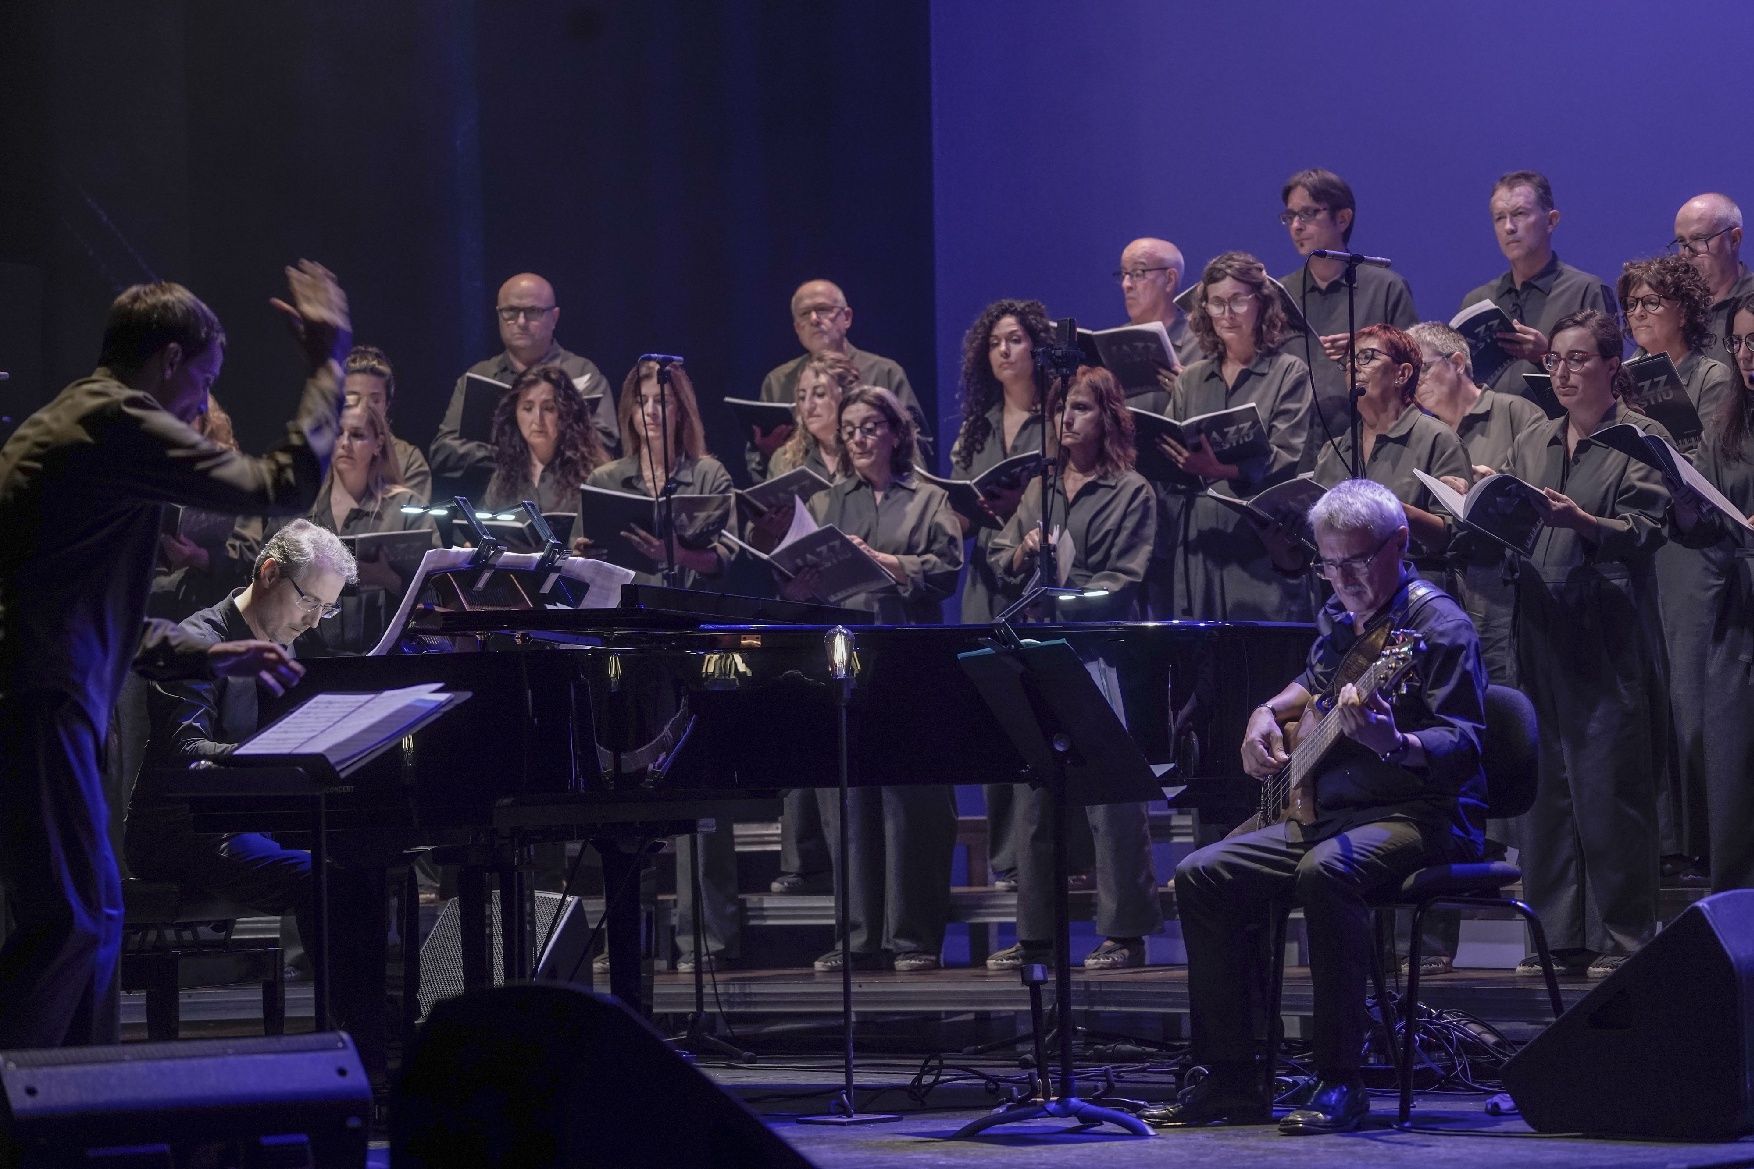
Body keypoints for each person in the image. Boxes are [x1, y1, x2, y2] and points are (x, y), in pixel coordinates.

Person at [0, 264, 348, 1048]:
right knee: (70, 925)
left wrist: (210, 656)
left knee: (94, 920)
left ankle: (80, 1115)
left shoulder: (86, 425)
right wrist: (331, 363)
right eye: (204, 379)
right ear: (165, 358)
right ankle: (33, 1115)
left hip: (48, 695)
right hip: (38, 699)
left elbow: (85, 612)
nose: (200, 405)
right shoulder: (114, 417)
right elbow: (277, 482)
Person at [1144, 478, 1486, 1135]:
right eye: (1330, 564)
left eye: (1357, 562)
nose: (1344, 579)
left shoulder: (1437, 624)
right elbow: (1310, 686)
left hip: (1422, 815)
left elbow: (1467, 744)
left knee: (1326, 871)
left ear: (1400, 545)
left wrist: (1398, 739)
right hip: (1334, 815)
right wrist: (1263, 713)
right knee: (1202, 873)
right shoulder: (1339, 617)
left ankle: (1341, 1079)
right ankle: (1233, 1077)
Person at [125, 521, 391, 1079]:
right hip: (182, 832)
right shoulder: (201, 640)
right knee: (329, 881)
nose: (315, 620)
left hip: (244, 822)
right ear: (269, 573)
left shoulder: (287, 641)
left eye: (327, 608)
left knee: (374, 865)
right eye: (309, 602)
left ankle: (375, 1039)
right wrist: (279, 753)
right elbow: (186, 750)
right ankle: (359, 1053)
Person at [1505, 310, 1671, 978]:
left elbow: (1648, 527)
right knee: (1546, 792)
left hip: (1607, 627)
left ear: (1611, 365)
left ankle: (1625, 934)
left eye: (1578, 360)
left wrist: (1584, 521)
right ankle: (1556, 937)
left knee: (1609, 787)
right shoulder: (1536, 437)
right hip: (1542, 624)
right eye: (1557, 362)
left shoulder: (1642, 437)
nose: (1565, 372)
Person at [986, 366, 1161, 970]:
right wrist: (1024, 551)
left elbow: (1123, 581)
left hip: (1097, 652)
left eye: (1081, 408)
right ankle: (1036, 934)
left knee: (1111, 798)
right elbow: (999, 554)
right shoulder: (1043, 488)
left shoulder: (1131, 489)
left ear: (1106, 417)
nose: (1067, 419)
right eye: (1062, 408)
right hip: (1042, 652)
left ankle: (1125, 931)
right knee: (1036, 796)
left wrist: (1059, 595)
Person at [782, 386, 962, 971]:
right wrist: (801, 587)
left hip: (909, 658)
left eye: (869, 428)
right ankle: (858, 937)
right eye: (849, 429)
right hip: (848, 658)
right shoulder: (831, 501)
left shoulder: (930, 498)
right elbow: (808, 574)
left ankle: (913, 936)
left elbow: (946, 572)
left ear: (894, 432)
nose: (858, 439)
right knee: (849, 799)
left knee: (912, 802)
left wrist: (886, 562)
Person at [1407, 321, 1546, 977]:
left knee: (1502, 721)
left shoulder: (1513, 411)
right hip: (1445, 598)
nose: (1416, 379)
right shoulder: (1415, 430)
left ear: (1457, 361)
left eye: (1424, 365)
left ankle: (1509, 859)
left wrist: (1493, 488)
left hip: (1501, 592)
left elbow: (1536, 496)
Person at [1616, 254, 1737, 884]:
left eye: (1651, 303)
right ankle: (1666, 839)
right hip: (1649, 548)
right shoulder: (1632, 379)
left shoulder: (1713, 374)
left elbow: (1716, 464)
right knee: (1657, 694)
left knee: (1692, 694)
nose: (1638, 314)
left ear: (1685, 308)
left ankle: (1706, 840)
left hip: (1697, 550)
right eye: (1632, 304)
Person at [950, 299, 1057, 892]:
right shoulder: (979, 428)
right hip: (986, 584)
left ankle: (1046, 853)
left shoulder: (1059, 417)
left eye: (1015, 340)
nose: (1005, 351)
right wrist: (973, 510)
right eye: (995, 343)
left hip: (1039, 580)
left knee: (1040, 713)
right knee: (994, 719)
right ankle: (1007, 859)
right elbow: (957, 519)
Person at [1164, 251, 1314, 622]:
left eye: (1237, 300)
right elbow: (1170, 445)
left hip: (1260, 536)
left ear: (1260, 304)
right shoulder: (1191, 378)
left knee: (1259, 650)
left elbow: (1288, 456)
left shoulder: (1287, 371)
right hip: (1202, 537)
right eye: (1217, 303)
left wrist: (1222, 469)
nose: (1227, 313)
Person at [764, 351, 860, 898]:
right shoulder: (788, 462)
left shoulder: (863, 448)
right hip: (804, 607)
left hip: (852, 609)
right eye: (801, 396)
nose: (808, 405)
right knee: (799, 715)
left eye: (820, 393)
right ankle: (803, 857)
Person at [1673, 293, 1754, 891]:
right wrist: (1686, 504)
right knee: (1731, 767)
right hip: (1739, 610)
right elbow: (1707, 525)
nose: (1748, 356)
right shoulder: (1730, 424)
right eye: (1741, 343)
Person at [432, 273, 618, 496]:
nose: (521, 322)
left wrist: (540, 449)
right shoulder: (479, 375)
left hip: (563, 504)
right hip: (492, 508)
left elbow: (603, 443)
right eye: (510, 312)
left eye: (533, 312)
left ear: (555, 317)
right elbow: (443, 451)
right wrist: (513, 453)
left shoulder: (582, 373)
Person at [1275, 169, 1418, 444]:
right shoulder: (1281, 294)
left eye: (1306, 214)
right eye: (1289, 216)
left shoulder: (1385, 287)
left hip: (1368, 441)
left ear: (1342, 218)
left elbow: (1415, 369)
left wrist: (1367, 352)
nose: (1296, 226)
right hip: (1295, 446)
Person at [1309, 323, 1467, 568]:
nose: (1353, 367)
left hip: (1414, 590)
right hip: (1345, 593)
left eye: (1367, 357)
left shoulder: (1437, 439)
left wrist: (1390, 509)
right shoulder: (1335, 450)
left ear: (1402, 374)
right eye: (1348, 361)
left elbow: (1454, 537)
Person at [746, 279, 927, 482]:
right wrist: (768, 453)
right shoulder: (778, 381)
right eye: (805, 313)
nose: (814, 319)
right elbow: (757, 458)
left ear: (847, 317)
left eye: (823, 310)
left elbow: (916, 444)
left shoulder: (884, 372)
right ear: (797, 328)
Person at [299, 392, 435, 656]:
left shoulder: (407, 508)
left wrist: (389, 580)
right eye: (338, 433)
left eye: (358, 435)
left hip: (385, 658)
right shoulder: (302, 505)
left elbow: (436, 593)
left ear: (378, 443)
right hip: (310, 657)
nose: (345, 443)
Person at [1458, 171, 1616, 397]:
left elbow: (1608, 380)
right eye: (1499, 218)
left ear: (1551, 220)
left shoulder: (1585, 291)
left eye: (1519, 214)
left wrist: (1547, 355)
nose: (1509, 227)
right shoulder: (1477, 301)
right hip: (1490, 429)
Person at [583, 360, 735, 591]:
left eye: (662, 401)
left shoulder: (710, 475)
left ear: (681, 411)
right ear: (630, 411)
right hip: (623, 613)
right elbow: (577, 556)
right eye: (641, 402)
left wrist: (680, 555)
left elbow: (727, 557)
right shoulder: (604, 480)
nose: (650, 411)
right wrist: (580, 555)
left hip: (688, 613)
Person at [483, 365, 609, 514]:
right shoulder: (504, 475)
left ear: (567, 413)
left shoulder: (592, 474)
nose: (538, 419)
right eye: (528, 408)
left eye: (549, 408)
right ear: (514, 414)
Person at [343, 345, 431, 499]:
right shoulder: (324, 454)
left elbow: (412, 520)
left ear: (387, 404)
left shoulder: (409, 461)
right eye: (353, 398)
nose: (363, 409)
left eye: (374, 400)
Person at [1673, 193, 1754, 345]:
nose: (1686, 253)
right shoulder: (1674, 309)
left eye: (1699, 239)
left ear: (1734, 239)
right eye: (1681, 242)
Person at [1117, 237, 1203, 370]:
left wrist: (1187, 388)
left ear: (1169, 279)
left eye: (1138, 273)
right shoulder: (1113, 343)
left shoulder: (1202, 344)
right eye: (1124, 275)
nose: (1126, 284)